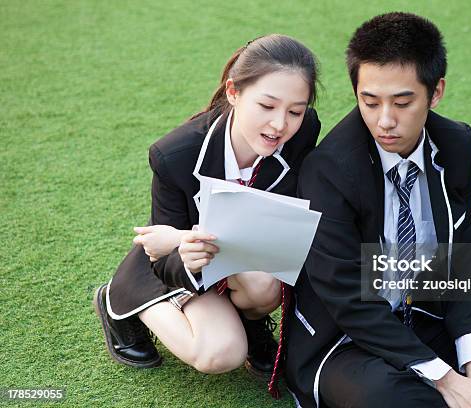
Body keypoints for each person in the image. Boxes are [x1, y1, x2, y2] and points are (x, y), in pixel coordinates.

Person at [284, 13, 471, 408]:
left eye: (403, 101)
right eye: (369, 101)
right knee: (382, 396)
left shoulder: (456, 144)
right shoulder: (330, 167)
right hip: (346, 342)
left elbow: (462, 259)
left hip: (424, 317)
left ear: (436, 92)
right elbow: (346, 298)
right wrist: (447, 378)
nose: (385, 121)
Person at [92, 34, 320, 394]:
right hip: (175, 265)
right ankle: (117, 300)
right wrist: (184, 243)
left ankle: (249, 322)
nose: (280, 124)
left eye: (295, 110)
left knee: (265, 287)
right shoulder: (174, 154)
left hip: (237, 260)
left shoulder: (304, 130)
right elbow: (163, 261)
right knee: (219, 354)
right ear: (234, 92)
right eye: (267, 105)